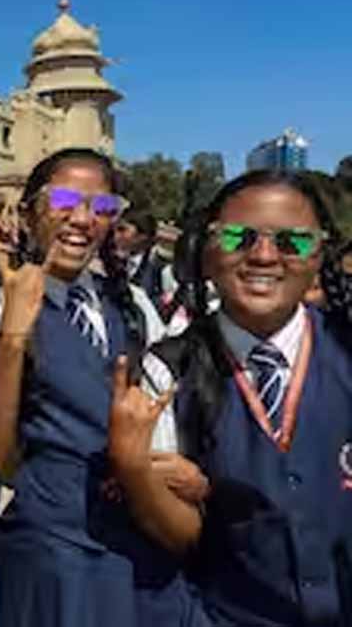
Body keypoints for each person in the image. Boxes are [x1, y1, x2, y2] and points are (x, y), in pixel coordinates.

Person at [109, 170, 352, 627]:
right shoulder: (168, 370)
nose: (263, 256)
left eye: (292, 242)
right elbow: (178, 536)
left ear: (319, 255)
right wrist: (134, 469)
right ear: (207, 252)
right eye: (240, 237)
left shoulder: (345, 349)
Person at [0, 148, 207, 627]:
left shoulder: (132, 305)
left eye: (102, 207)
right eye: (64, 200)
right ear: (28, 212)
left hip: (139, 542)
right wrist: (13, 337)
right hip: (55, 549)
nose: (82, 219)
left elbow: (157, 417)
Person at [113, 209, 167, 307]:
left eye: (122, 230)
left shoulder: (158, 271)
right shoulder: (106, 258)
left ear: (142, 237)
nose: (115, 235)